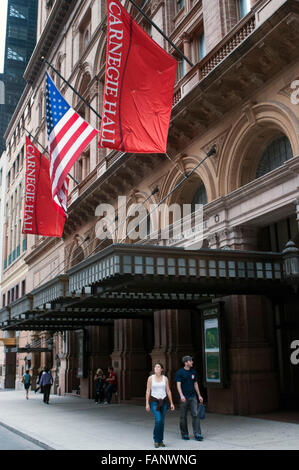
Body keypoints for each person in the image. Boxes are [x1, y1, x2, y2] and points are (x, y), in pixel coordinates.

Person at [175, 355, 204, 441]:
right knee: (183, 416)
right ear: (186, 363)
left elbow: (195, 384)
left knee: (195, 415)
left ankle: (197, 433)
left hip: (193, 397)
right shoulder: (180, 372)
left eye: (191, 360)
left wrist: (199, 395)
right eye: (190, 361)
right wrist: (181, 395)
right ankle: (185, 434)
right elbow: (178, 384)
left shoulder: (193, 372)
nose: (192, 362)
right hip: (184, 397)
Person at [146, 363, 175, 448]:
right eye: (155, 367)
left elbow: (168, 391)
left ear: (162, 369)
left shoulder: (165, 378)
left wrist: (172, 403)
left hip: (164, 401)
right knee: (158, 420)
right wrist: (147, 403)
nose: (156, 368)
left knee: (162, 421)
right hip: (154, 402)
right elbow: (148, 391)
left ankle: (160, 440)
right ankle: (156, 440)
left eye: (158, 367)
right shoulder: (150, 378)